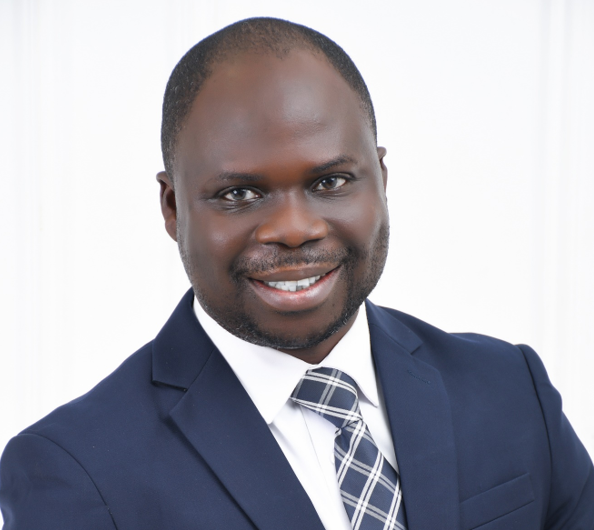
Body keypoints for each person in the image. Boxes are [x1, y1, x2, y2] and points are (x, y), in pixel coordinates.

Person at [0, 17, 592, 530]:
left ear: (382, 179)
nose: (293, 229)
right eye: (239, 193)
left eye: (330, 181)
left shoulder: (511, 393)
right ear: (173, 208)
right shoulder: (74, 472)